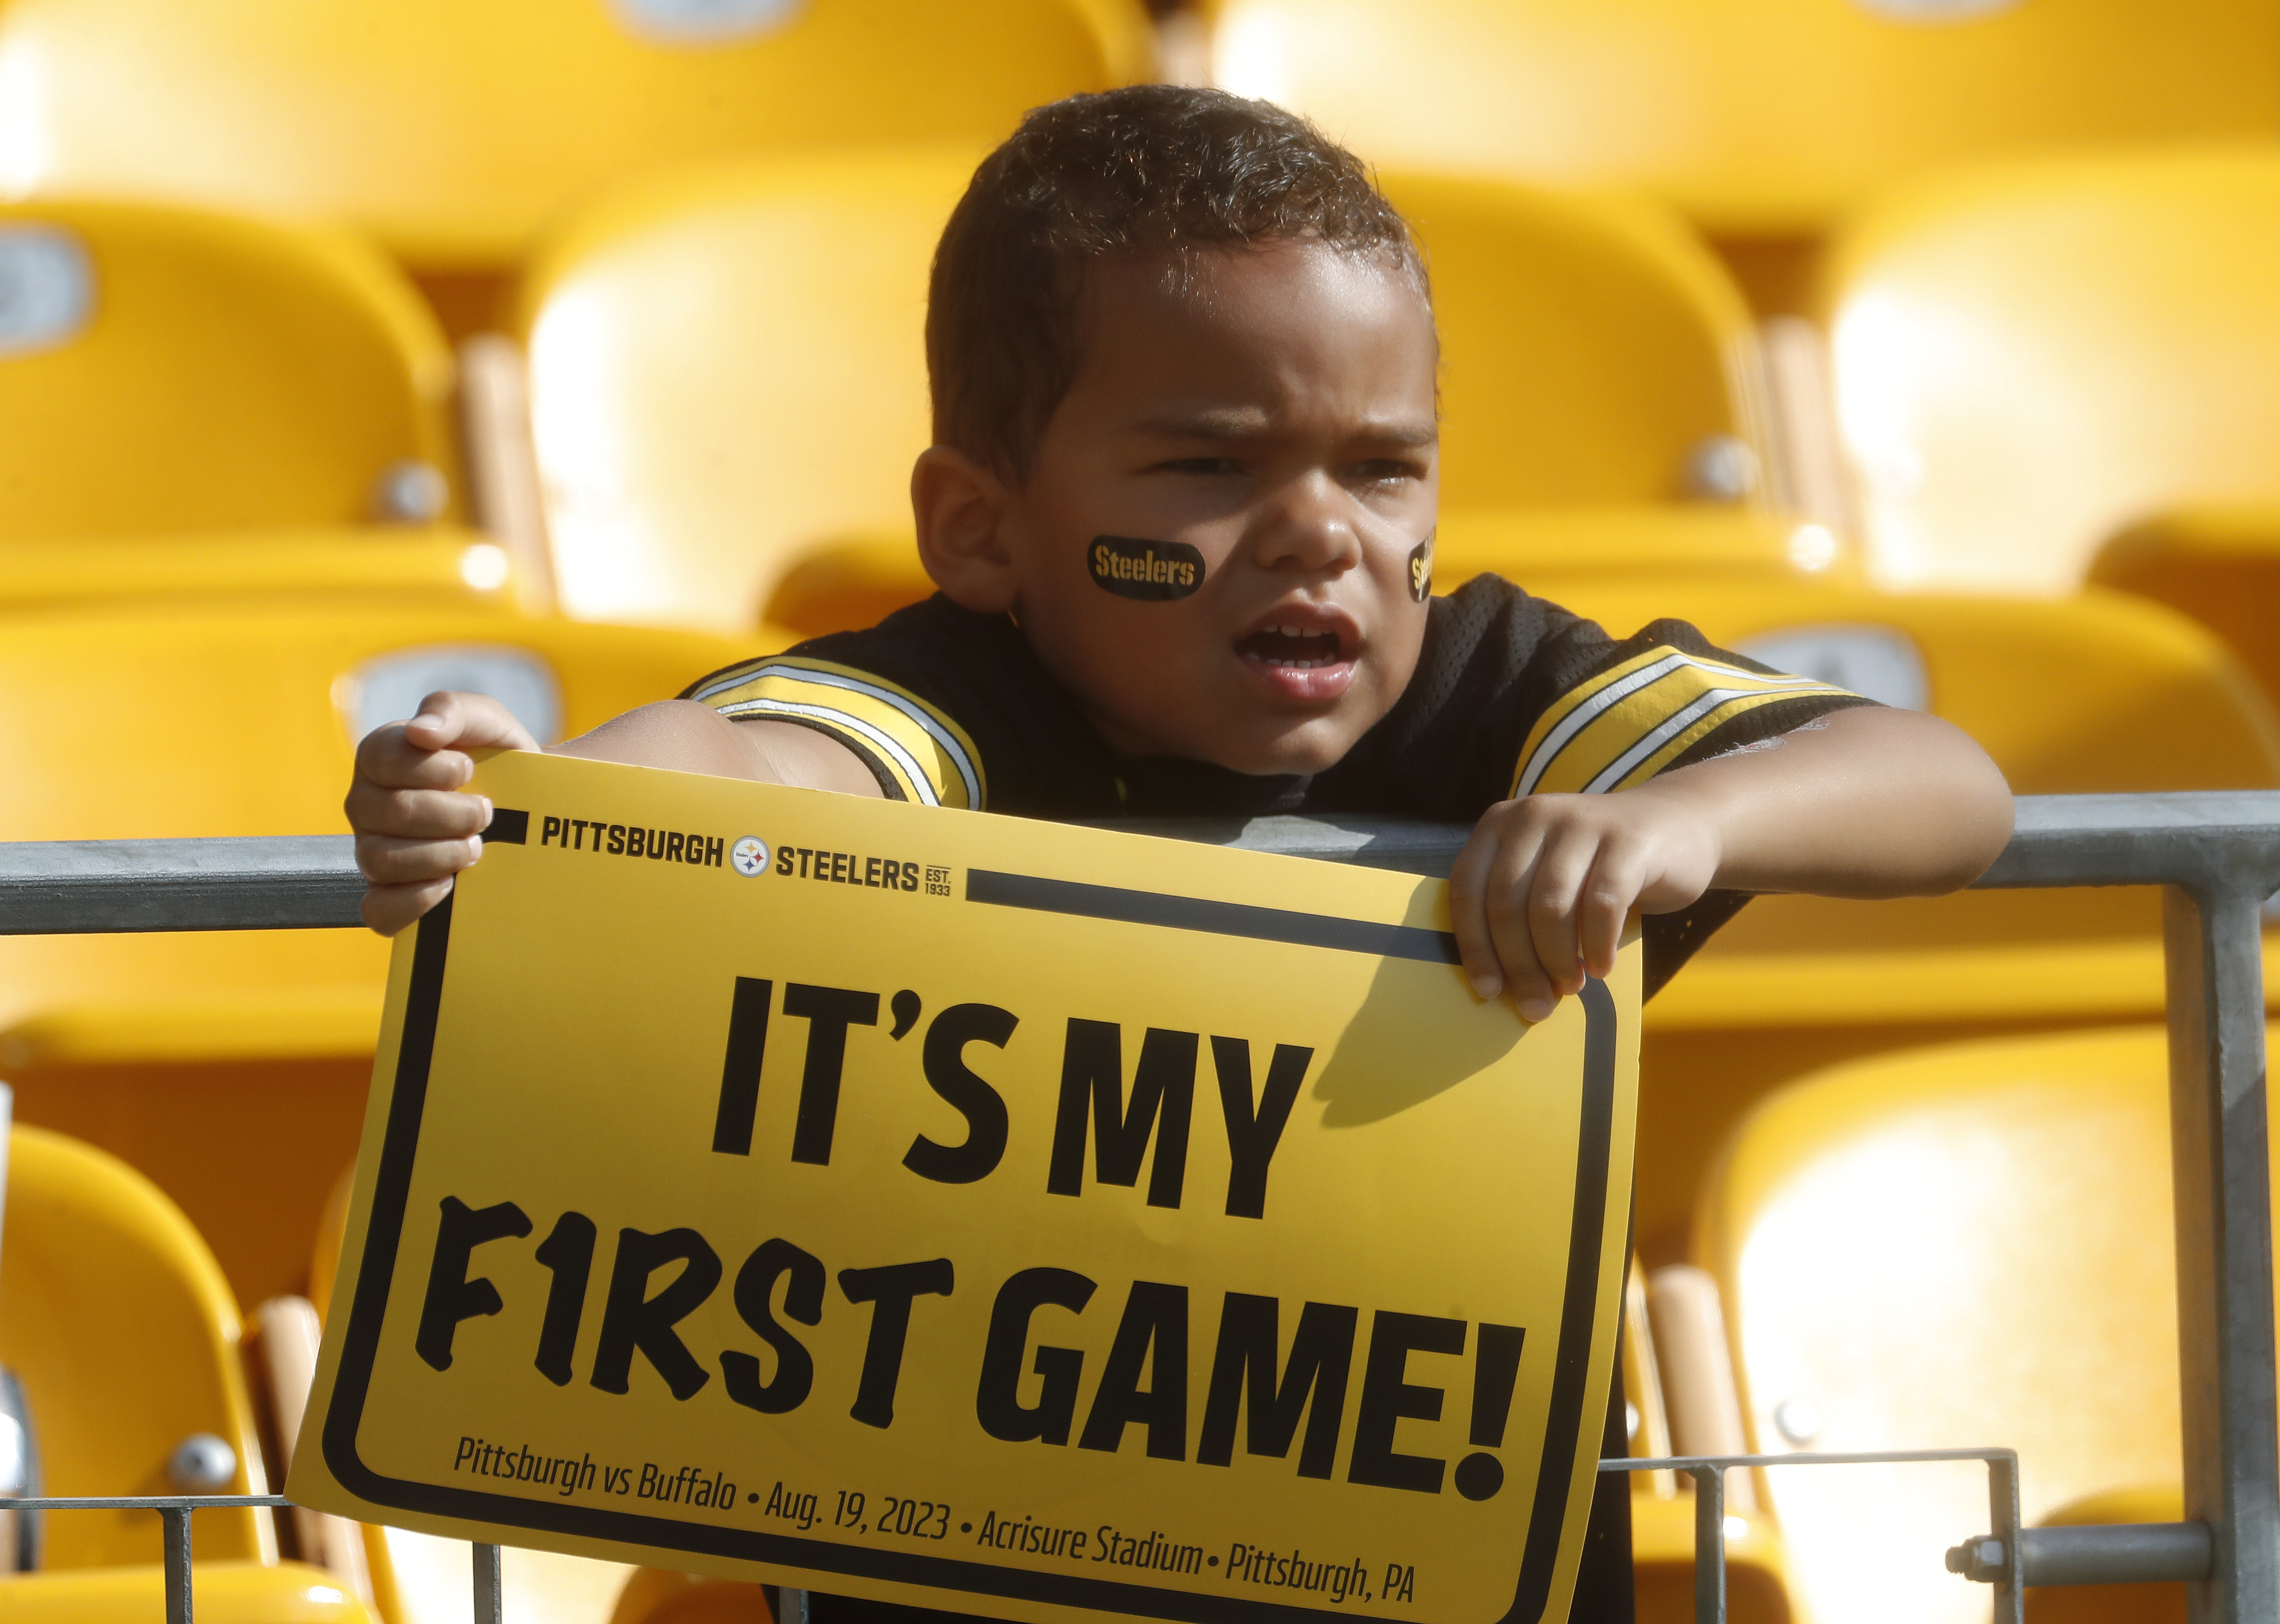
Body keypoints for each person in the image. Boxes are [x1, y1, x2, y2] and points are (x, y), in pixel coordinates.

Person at [346, 86, 2013, 1621]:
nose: (1319, 532)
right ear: (982, 529)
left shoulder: (1500, 686)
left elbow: (1940, 784)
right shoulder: (955, 697)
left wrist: (1677, 820)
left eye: (1382, 468)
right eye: (1208, 467)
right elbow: (744, 763)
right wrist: (536, 804)